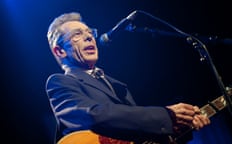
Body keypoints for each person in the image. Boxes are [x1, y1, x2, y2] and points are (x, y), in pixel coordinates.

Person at [45, 12, 210, 144]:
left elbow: (138, 132)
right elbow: (93, 116)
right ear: (60, 51)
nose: (89, 37)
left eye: (90, 32)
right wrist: (166, 116)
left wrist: (178, 127)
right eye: (77, 35)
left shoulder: (117, 85)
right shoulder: (60, 82)